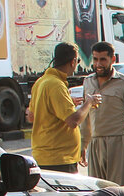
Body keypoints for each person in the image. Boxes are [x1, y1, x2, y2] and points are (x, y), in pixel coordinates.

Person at [81, 41, 124, 186]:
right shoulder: (88, 82)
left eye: (103, 59)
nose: (98, 64)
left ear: (113, 59)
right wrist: (83, 145)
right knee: (97, 192)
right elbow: (86, 118)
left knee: (123, 191)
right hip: (96, 144)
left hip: (120, 143)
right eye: (95, 59)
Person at [29, 42, 100, 173]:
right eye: (78, 61)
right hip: (59, 159)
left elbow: (31, 116)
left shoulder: (41, 81)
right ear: (73, 61)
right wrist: (89, 102)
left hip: (46, 156)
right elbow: (73, 121)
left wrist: (67, 103)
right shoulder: (56, 85)